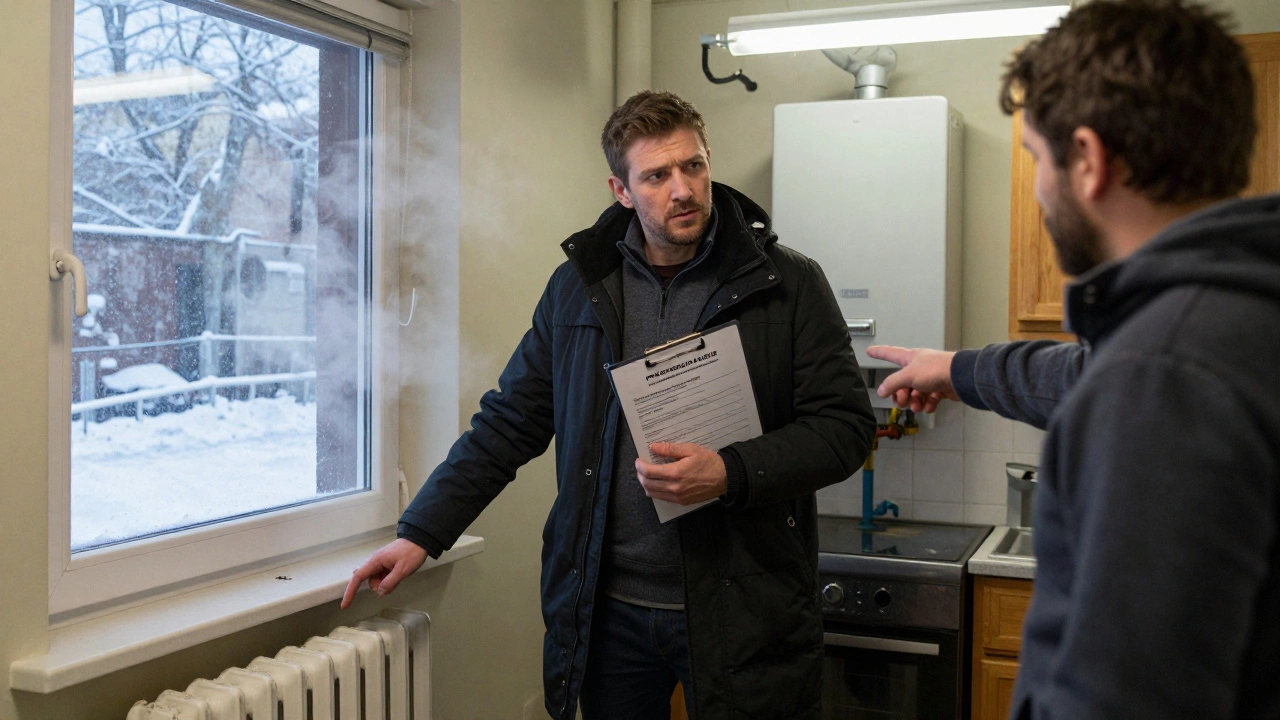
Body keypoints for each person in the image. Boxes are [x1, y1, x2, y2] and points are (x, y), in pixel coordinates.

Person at [341, 90, 876, 720]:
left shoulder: (787, 283)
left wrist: (730, 471)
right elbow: (510, 421)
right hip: (607, 611)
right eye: (657, 175)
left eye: (694, 166)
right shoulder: (578, 287)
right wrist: (422, 532)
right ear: (621, 190)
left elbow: (844, 429)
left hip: (744, 607)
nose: (684, 189)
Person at [867, 1, 1280, 718]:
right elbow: (1081, 371)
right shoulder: (1232, 317)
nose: (1036, 185)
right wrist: (957, 369)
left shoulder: (1161, 376)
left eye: (1036, 158)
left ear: (1087, 160)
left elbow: (1123, 696)